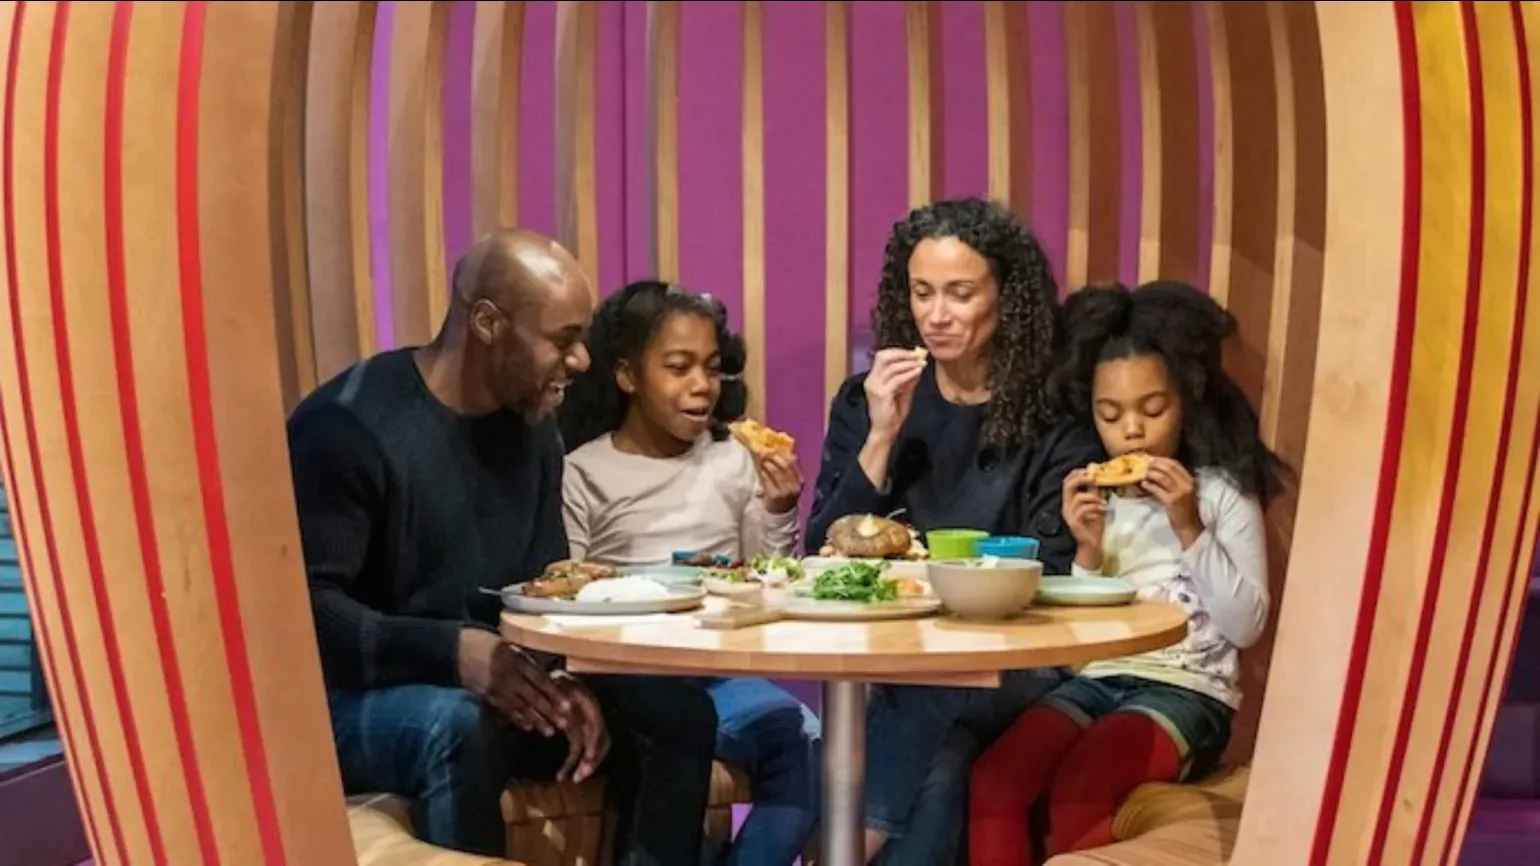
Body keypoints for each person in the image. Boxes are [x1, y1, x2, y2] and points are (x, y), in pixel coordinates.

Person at [287, 229, 718, 863]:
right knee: (456, 726)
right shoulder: (347, 427)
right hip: (347, 702)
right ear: (487, 322)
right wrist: (454, 652)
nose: (580, 363)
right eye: (563, 340)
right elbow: (303, 616)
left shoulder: (535, 432)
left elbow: (538, 590)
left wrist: (560, 677)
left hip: (488, 686)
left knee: (677, 716)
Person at [805, 198, 1104, 865]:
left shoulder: (1056, 415)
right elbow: (820, 551)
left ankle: (835, 854)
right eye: (922, 293)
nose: (936, 315)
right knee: (943, 762)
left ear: (1007, 297)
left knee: (931, 698)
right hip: (899, 656)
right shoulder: (869, 399)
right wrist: (882, 433)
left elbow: (1050, 572)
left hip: (1017, 654)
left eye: (960, 294)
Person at [968, 281, 1282, 863]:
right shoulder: (1102, 500)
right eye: (1109, 415)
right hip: (1098, 680)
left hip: (1189, 691)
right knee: (994, 781)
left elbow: (1246, 626)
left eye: (1152, 409)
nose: (1131, 431)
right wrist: (1086, 551)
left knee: (1082, 786)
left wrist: (1189, 525)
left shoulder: (1218, 492)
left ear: (1185, 401)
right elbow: (1080, 654)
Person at [558, 280, 821, 866]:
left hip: (720, 669)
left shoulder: (735, 457)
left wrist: (779, 509)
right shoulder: (584, 470)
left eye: (711, 367)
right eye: (678, 368)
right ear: (628, 376)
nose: (701, 386)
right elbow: (565, 586)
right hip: (630, 674)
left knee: (809, 745)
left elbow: (771, 574)